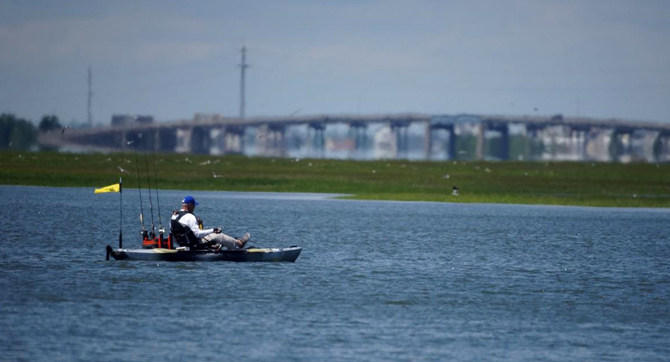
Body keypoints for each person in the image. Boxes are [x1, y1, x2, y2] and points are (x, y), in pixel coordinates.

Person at [170, 196, 250, 251]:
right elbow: (197, 234)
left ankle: (218, 245)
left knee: (208, 233)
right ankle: (239, 244)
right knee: (218, 235)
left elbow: (173, 232)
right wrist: (213, 230)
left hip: (183, 242)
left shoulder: (174, 216)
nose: (194, 207)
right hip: (194, 243)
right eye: (194, 205)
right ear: (190, 205)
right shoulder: (190, 217)